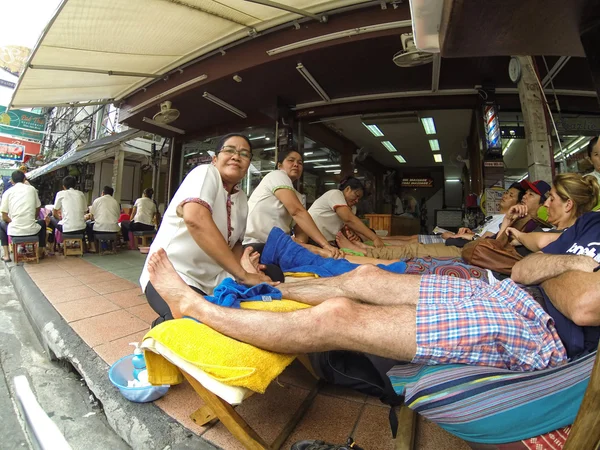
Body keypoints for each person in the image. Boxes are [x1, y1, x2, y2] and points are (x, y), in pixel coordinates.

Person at [146, 210, 600, 375]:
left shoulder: (578, 229)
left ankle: (195, 307)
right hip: (507, 291)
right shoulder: (590, 224)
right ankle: (261, 287)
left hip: (543, 333)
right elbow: (522, 268)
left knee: (338, 317)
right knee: (363, 278)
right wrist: (571, 266)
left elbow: (583, 305)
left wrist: (553, 268)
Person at [139, 133, 275, 326]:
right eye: (229, 150)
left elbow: (235, 245)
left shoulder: (242, 199)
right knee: (197, 324)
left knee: (273, 276)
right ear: (215, 159)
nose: (236, 156)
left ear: (247, 166)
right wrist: (242, 275)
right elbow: (195, 218)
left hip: (216, 280)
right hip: (175, 274)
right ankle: (165, 327)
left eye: (244, 154)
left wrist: (248, 269)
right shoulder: (205, 173)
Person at [337, 182, 529, 260]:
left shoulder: (511, 221)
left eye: (511, 195)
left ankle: (365, 250)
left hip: (462, 246)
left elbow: (490, 242)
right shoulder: (498, 217)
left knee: (412, 246)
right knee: (411, 241)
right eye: (506, 193)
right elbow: (485, 237)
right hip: (461, 242)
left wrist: (459, 235)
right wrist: (466, 233)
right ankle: (367, 247)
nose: (504, 196)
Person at [243, 149, 342, 258]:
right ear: (279, 166)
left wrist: (299, 245)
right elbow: (297, 212)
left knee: (320, 255)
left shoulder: (298, 196)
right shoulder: (277, 175)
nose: (296, 164)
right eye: (291, 160)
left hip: (277, 246)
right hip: (256, 244)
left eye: (300, 163)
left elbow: (301, 231)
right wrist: (325, 245)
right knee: (323, 254)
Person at [507, 173, 600, 252]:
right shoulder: (546, 230)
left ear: (568, 205)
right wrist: (507, 219)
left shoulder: (573, 237)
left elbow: (541, 242)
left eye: (551, 199)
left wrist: (520, 236)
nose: (546, 204)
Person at [308, 177, 384, 248]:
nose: (357, 200)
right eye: (356, 195)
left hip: (328, 242)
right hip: (312, 238)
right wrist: (374, 238)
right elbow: (348, 219)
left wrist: (351, 236)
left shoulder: (352, 208)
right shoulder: (336, 194)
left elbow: (345, 227)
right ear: (348, 189)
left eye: (359, 199)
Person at [0, 170, 46, 261]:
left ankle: (6, 255)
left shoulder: (7, 193)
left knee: (1, 224)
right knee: (42, 223)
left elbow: (4, 216)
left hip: (15, 231)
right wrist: (32, 218)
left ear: (12, 181)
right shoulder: (32, 189)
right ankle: (40, 252)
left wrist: (14, 221)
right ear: (24, 179)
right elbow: (38, 208)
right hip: (32, 229)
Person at [85, 185, 120, 252]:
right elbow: (118, 216)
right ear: (112, 194)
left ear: (103, 193)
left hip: (99, 229)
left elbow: (92, 216)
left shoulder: (97, 200)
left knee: (88, 225)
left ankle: (93, 247)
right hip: (114, 230)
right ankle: (110, 247)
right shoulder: (116, 202)